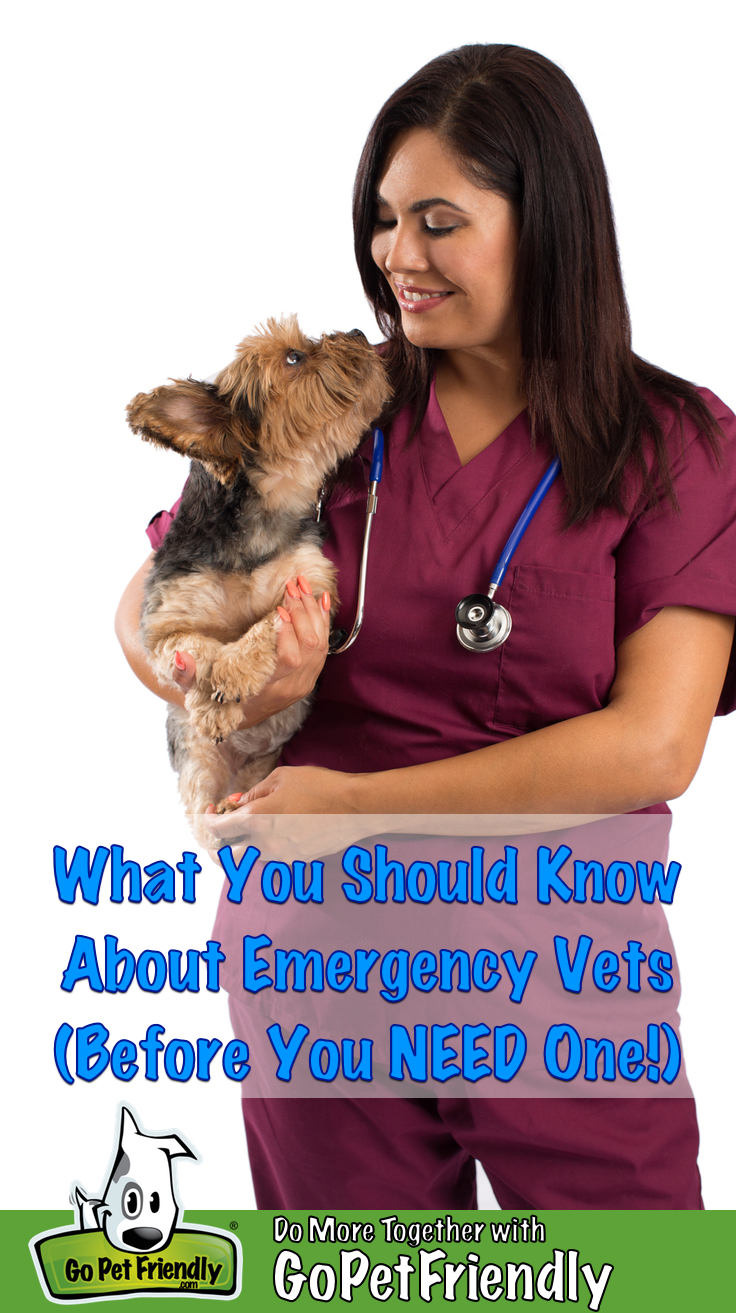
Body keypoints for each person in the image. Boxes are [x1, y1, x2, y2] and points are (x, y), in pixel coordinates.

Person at [116, 44, 736, 1209]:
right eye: (385, 220)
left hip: (566, 986)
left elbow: (656, 744)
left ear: (544, 222)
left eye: (439, 220)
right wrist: (219, 676)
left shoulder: (674, 443)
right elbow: (152, 602)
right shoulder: (334, 404)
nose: (397, 256)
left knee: (643, 1283)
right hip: (318, 966)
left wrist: (350, 806)